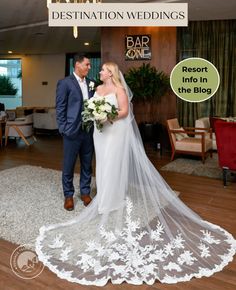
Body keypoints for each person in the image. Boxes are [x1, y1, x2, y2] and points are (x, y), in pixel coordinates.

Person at [36, 62, 235, 286]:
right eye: (97, 68)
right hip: (98, 135)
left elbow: (123, 112)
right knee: (101, 165)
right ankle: (101, 195)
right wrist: (95, 115)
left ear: (110, 73)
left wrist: (106, 117)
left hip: (114, 132)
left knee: (111, 163)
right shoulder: (97, 89)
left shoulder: (120, 90)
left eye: (102, 69)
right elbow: (84, 107)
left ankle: (109, 199)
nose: (98, 72)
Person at [56, 54, 95, 211]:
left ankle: (85, 192)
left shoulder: (92, 83)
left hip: (88, 131)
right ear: (77, 65)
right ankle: (68, 196)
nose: (89, 67)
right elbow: (60, 107)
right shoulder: (65, 83)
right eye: (87, 64)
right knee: (69, 165)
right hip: (71, 131)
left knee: (87, 164)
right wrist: (63, 128)